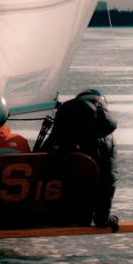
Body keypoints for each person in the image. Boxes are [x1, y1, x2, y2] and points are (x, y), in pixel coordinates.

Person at [41, 90, 118, 228]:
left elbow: (40, 165)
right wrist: (103, 219)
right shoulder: (108, 141)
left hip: (47, 213)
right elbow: (108, 182)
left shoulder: (60, 131)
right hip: (81, 217)